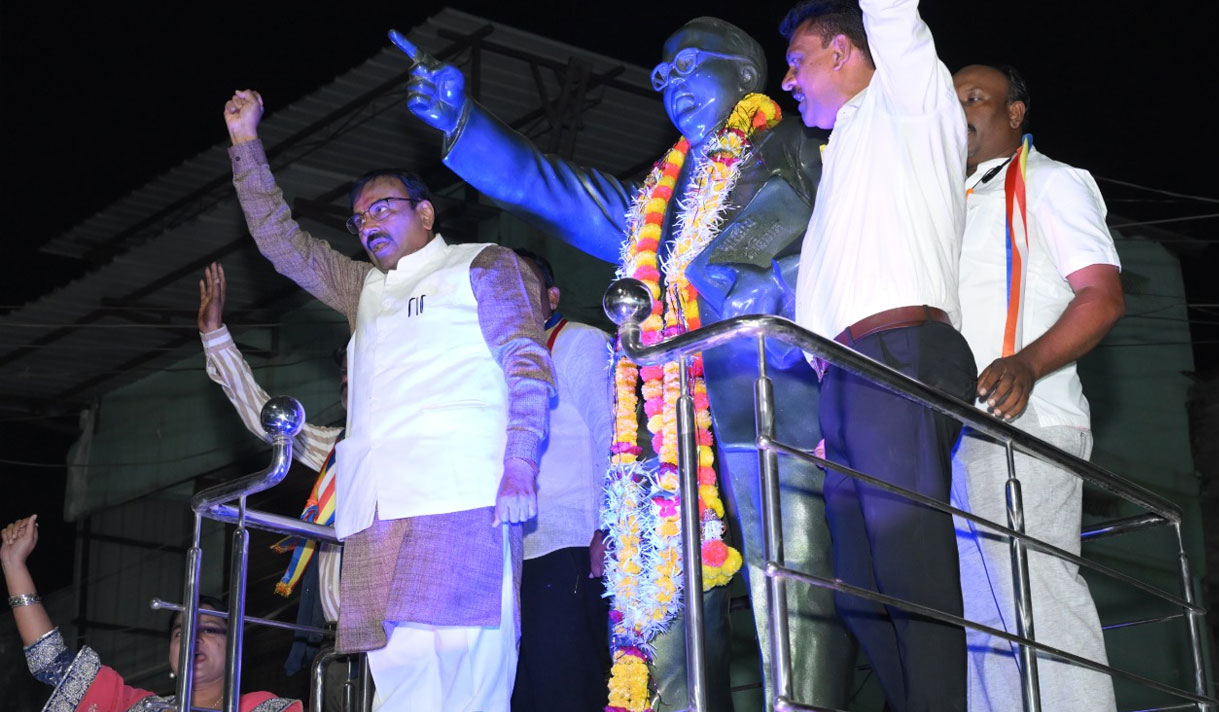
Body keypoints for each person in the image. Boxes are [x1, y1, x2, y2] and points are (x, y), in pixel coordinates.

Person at [394, 18, 853, 712]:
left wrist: (765, 288)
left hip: (771, 396)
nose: (671, 86)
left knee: (791, 582)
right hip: (671, 422)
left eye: (689, 66)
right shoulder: (655, 206)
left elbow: (836, 248)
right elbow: (551, 188)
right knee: (665, 606)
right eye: (662, 77)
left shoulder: (796, 145)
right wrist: (464, 120)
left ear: (746, 74)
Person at [223, 89, 554, 712]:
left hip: (466, 496)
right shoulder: (362, 287)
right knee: (399, 682)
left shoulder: (483, 264)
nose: (368, 224)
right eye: (359, 219)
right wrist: (246, 144)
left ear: (426, 213)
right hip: (376, 511)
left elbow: (528, 364)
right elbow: (280, 243)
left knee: (470, 676)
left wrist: (520, 463)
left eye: (382, 208)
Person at [779, 0, 976, 709]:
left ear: (842, 51)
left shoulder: (909, 104)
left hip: (899, 353)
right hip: (850, 377)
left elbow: (891, 13)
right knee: (859, 594)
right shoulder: (844, 150)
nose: (787, 80)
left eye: (797, 61)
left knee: (910, 571)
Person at [950, 63, 1124, 712]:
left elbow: (1101, 296)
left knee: (1036, 598)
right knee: (982, 621)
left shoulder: (1053, 182)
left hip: (1027, 420)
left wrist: (1027, 363)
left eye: (975, 98)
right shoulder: (947, 199)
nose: (960, 112)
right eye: (950, 101)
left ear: (1014, 113)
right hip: (952, 429)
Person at [197, 261, 342, 677]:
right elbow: (267, 418)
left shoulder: (417, 447)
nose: (349, 380)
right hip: (334, 646)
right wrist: (215, 337)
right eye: (345, 375)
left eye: (360, 372)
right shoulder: (339, 448)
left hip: (398, 637)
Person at [2, 514, 303, 712]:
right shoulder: (136, 707)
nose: (192, 639)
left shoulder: (264, 709)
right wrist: (14, 565)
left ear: (236, 647)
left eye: (210, 629)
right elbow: (51, 661)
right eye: (180, 633)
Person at [509, 249, 612, 712]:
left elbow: (613, 434)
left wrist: (610, 526)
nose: (511, 296)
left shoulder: (579, 341)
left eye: (523, 284)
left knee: (565, 693)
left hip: (569, 545)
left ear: (552, 297)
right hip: (515, 558)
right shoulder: (503, 364)